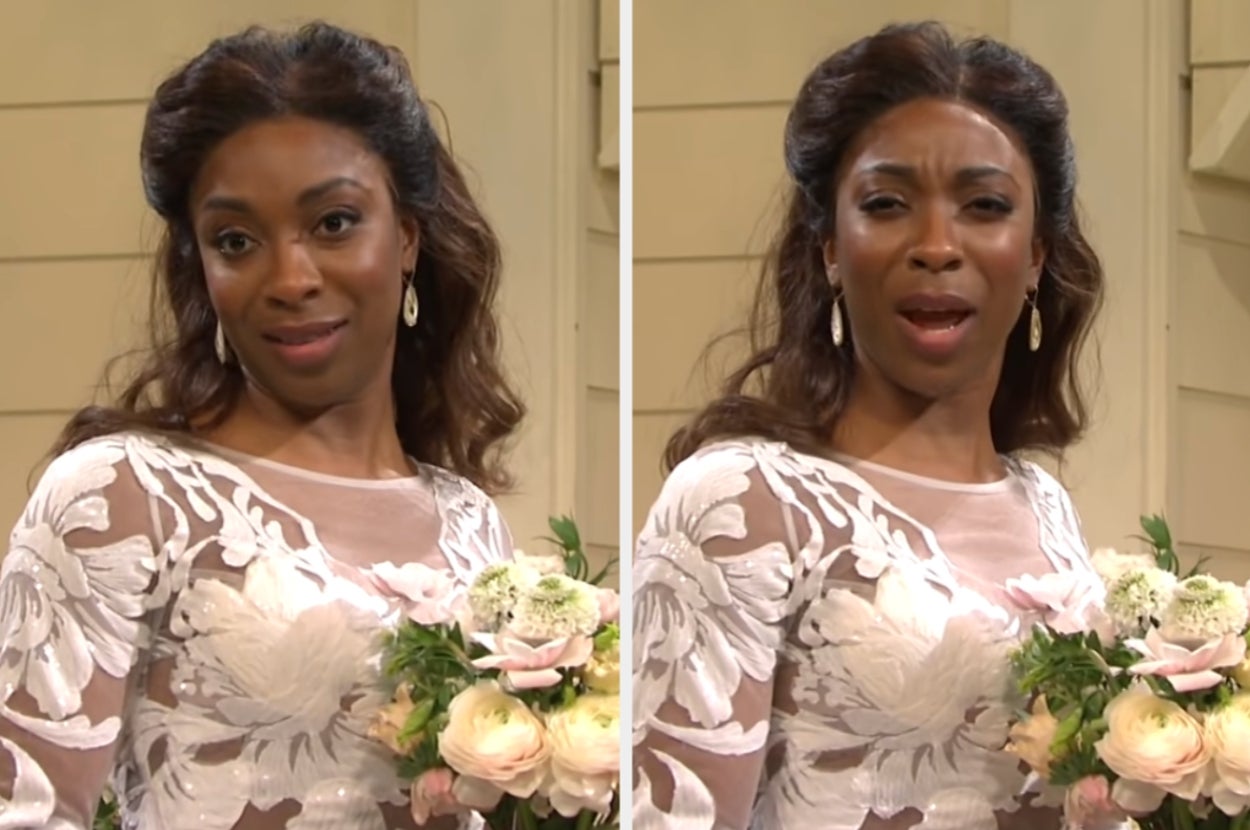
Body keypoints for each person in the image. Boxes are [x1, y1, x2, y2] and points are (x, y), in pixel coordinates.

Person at [0, 22, 523, 830]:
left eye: (334, 223)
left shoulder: (472, 523)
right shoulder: (121, 496)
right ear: (202, 268)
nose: (289, 278)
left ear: (408, 238)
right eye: (236, 241)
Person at [632, 21, 1110, 830]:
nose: (936, 246)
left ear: (1036, 255)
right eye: (887, 205)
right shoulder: (742, 500)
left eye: (984, 206)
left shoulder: (1046, 507)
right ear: (828, 247)